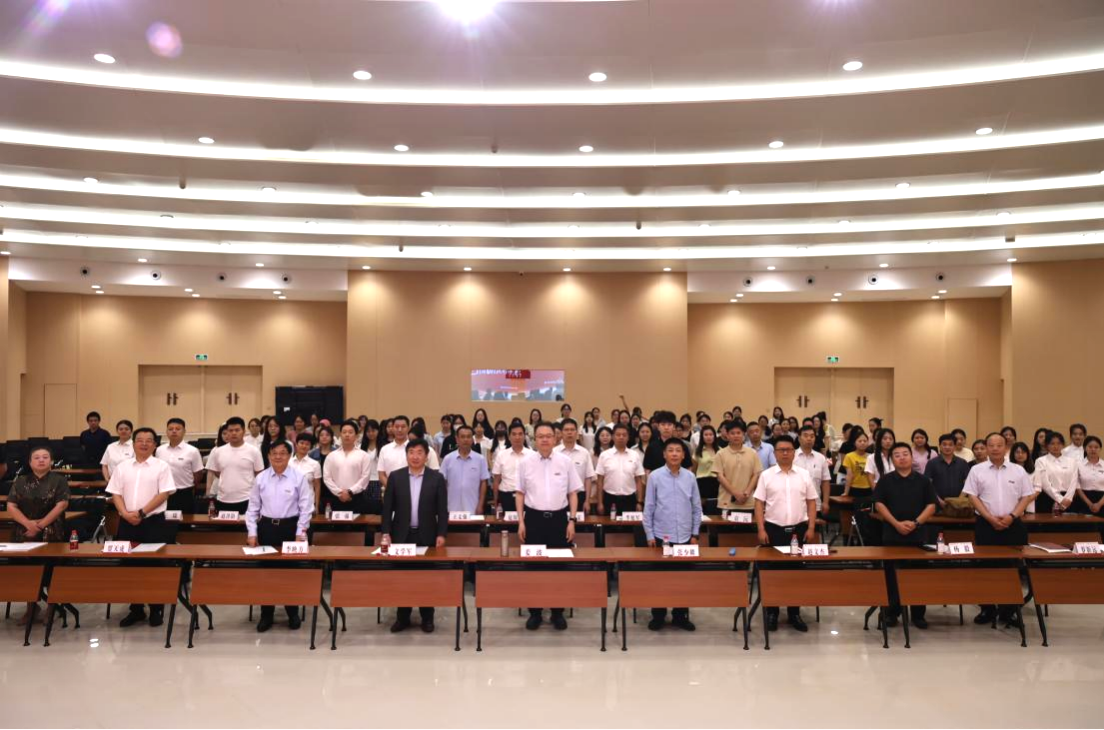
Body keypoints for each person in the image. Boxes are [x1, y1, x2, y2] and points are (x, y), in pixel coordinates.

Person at [963, 433, 1037, 627]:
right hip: (986, 525)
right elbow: (972, 496)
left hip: (1013, 525)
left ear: (1006, 448)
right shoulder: (977, 470)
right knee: (985, 568)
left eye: (999, 445)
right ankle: (987, 609)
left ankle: (1008, 611)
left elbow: (1026, 497)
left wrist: (1012, 516)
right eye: (991, 445)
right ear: (986, 448)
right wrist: (989, 517)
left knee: (1012, 568)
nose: (995, 448)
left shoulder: (1018, 471)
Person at [516, 422, 583, 631]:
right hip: (533, 520)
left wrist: (572, 520)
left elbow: (573, 493)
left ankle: (557, 612)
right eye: (540, 436)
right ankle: (535, 612)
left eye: (548, 436)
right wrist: (521, 522)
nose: (544, 439)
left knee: (559, 567)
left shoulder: (565, 462)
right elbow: (520, 494)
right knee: (533, 567)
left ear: (555, 438)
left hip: (559, 520)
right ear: (534, 439)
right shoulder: (525, 462)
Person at [106, 427, 176, 628]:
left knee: (155, 567)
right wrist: (124, 514)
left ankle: (156, 609)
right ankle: (136, 609)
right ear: (133, 443)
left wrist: (141, 513)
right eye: (140, 440)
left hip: (153, 523)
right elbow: (115, 493)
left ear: (155, 445)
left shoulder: (161, 466)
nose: (144, 443)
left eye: (149, 440)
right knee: (129, 567)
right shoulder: (122, 467)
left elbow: (164, 493)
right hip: (127, 522)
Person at [381, 438, 449, 633]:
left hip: (427, 535)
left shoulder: (436, 478)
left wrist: (441, 534)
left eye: (420, 452)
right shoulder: (396, 477)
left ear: (426, 456)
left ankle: (427, 617)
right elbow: (387, 509)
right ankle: (402, 617)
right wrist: (386, 532)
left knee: (426, 578)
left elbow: (442, 510)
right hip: (401, 535)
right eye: (411, 452)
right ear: (406, 455)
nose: (415, 456)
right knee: (402, 578)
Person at [246, 440, 313, 633]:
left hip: (290, 529)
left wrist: (300, 532)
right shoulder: (261, 478)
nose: (278, 456)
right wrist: (252, 532)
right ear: (268, 456)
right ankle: (266, 614)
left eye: (282, 453)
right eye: (274, 453)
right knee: (266, 573)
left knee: (290, 574)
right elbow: (252, 508)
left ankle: (293, 613)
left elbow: (306, 508)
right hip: (267, 528)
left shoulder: (298, 477)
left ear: (289, 456)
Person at [754, 435, 817, 633]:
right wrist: (761, 528)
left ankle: (794, 613)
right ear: (774, 453)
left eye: (788, 449)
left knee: (795, 574)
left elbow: (811, 502)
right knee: (772, 573)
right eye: (781, 450)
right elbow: (759, 503)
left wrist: (811, 527)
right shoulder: (766, 475)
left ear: (793, 452)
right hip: (773, 530)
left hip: (798, 530)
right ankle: (772, 612)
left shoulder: (804, 474)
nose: (785, 453)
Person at [874, 443, 938, 629]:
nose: (902, 458)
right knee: (892, 576)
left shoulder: (923, 480)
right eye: (897, 455)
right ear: (891, 459)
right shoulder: (885, 481)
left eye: (905, 454)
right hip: (892, 535)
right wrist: (896, 523)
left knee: (918, 576)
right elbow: (879, 504)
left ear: (911, 457)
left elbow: (932, 505)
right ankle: (891, 613)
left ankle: (918, 615)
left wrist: (916, 523)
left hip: (918, 536)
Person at [643, 438, 702, 632]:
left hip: (685, 536)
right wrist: (650, 535)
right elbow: (649, 507)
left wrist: (695, 534)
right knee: (660, 579)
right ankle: (658, 616)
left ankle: (680, 615)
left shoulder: (690, 477)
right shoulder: (655, 476)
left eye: (678, 450)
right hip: (662, 537)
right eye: (671, 450)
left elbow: (696, 508)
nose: (674, 454)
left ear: (684, 455)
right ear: (664, 454)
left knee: (683, 580)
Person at [7, 445, 70, 625]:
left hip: (51, 532)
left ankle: (52, 607)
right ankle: (31, 608)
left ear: (51, 461)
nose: (41, 460)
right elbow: (11, 505)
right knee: (26, 572)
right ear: (29, 462)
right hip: (24, 531)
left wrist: (40, 525)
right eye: (36, 457)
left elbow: (62, 505)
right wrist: (28, 524)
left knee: (50, 570)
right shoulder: (20, 481)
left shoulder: (59, 480)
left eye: (45, 457)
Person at [206, 417, 264, 513]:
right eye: (230, 430)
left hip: (247, 499)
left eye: (237, 430)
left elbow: (259, 474)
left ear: (244, 431)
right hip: (223, 499)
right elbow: (216, 472)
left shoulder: (254, 451)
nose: (233, 433)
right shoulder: (218, 451)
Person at [323, 420, 375, 513]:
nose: (347, 435)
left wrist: (350, 492)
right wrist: (339, 492)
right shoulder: (331, 456)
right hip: (336, 498)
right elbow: (327, 478)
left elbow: (365, 477)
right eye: (344, 432)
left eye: (350, 432)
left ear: (356, 435)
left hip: (357, 498)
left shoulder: (363, 455)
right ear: (340, 435)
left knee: (358, 522)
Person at [713, 420, 763, 516]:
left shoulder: (752, 453)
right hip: (727, 502)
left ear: (744, 434)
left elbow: (756, 474)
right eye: (732, 433)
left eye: (738, 433)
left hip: (748, 502)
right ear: (727, 435)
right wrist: (736, 494)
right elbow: (720, 477)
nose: (736, 436)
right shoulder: (720, 454)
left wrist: (747, 493)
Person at [155, 418, 204, 515]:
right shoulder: (159, 450)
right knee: (165, 520)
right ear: (166, 431)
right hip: (164, 493)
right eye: (170, 429)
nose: (174, 431)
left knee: (186, 521)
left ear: (184, 431)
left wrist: (191, 486)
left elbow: (198, 473)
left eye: (178, 429)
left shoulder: (192, 451)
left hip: (184, 493)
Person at [596, 424, 645, 515]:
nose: (621, 437)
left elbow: (638, 480)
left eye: (624, 435)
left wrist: (639, 501)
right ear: (613, 437)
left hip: (629, 499)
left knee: (628, 524)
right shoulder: (604, 455)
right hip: (609, 498)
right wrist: (600, 503)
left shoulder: (634, 455)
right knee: (609, 524)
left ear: (628, 437)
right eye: (618, 435)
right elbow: (600, 481)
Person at [378, 415, 439, 489]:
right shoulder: (384, 449)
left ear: (408, 428)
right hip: (391, 491)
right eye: (396, 427)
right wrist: (392, 489)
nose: (399, 430)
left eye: (403, 427)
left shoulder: (422, 449)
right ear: (392, 428)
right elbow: (381, 474)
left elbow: (434, 472)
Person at [440, 425, 490, 514]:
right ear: (457, 439)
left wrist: (480, 505)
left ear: (472, 439)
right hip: (452, 508)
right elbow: (443, 482)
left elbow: (483, 483)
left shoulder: (480, 459)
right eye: (462, 437)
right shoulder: (448, 459)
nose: (465, 440)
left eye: (468, 437)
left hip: (473, 508)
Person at [553, 418, 596, 515]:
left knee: (578, 523)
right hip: (558, 495)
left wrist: (587, 501)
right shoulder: (554, 452)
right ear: (561, 432)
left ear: (576, 432)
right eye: (566, 430)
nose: (569, 432)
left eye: (572, 430)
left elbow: (588, 478)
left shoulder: (584, 453)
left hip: (579, 495)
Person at [1033, 431, 1078, 514]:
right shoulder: (1040, 461)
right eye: (1052, 444)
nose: (1056, 446)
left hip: (1069, 500)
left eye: (1059, 443)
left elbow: (1074, 482)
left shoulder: (1072, 461)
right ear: (1046, 445)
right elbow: (1045, 483)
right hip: (1047, 498)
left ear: (1063, 445)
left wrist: (1068, 499)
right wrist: (1060, 499)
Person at [492, 422, 534, 511]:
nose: (517, 437)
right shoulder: (501, 455)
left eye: (520, 434)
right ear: (509, 437)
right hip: (506, 496)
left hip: (527, 496)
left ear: (524, 436)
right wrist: (495, 502)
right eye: (514, 434)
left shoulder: (533, 455)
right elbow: (496, 481)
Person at [924, 433, 971, 509]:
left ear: (955, 446)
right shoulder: (932, 463)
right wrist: (939, 500)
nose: (947, 447)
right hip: (937, 505)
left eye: (950, 444)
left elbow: (968, 483)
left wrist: (959, 500)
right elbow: (927, 484)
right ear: (940, 446)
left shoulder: (962, 463)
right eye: (944, 444)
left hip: (959, 506)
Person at [795, 425, 831, 516]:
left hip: (816, 504)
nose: (809, 439)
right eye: (805, 436)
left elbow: (825, 481)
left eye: (812, 436)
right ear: (799, 438)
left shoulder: (821, 458)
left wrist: (825, 502)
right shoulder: (792, 457)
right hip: (795, 505)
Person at [643, 411, 692, 475]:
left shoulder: (682, 446)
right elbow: (647, 470)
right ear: (658, 427)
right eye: (663, 424)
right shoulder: (651, 447)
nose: (666, 428)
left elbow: (688, 468)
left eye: (669, 424)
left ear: (674, 427)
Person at [289, 433, 323, 510]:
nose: (304, 446)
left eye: (307, 444)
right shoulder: (288, 463)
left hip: (308, 503)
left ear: (310, 447)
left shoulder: (315, 464)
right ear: (296, 444)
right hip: (290, 503)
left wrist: (317, 506)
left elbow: (317, 486)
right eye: (301, 443)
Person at [693, 425, 721, 515]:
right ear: (702, 437)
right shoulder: (698, 451)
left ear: (714, 436)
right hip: (702, 483)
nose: (708, 437)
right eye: (706, 435)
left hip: (717, 482)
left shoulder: (720, 450)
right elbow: (694, 470)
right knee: (703, 510)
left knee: (715, 510)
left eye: (711, 434)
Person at [1075, 436, 1104, 514]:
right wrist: (1089, 504)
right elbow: (1077, 487)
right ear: (1085, 448)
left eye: (1096, 447)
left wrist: (1099, 504)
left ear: (1100, 449)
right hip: (1083, 500)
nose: (1093, 449)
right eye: (1090, 447)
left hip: (1102, 500)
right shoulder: (1078, 465)